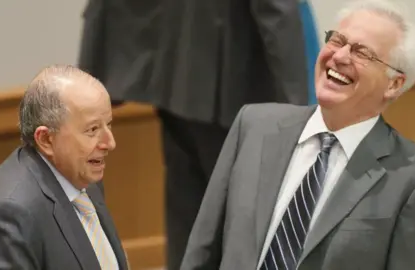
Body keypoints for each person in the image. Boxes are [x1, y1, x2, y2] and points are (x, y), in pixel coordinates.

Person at [180, 0, 415, 269]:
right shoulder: (253, 125)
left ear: (394, 84)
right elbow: (202, 252)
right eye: (337, 40)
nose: (340, 56)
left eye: (362, 53)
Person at [77, 0, 309, 269]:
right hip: (232, 86)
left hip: (172, 75)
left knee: (188, 219)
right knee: (244, 226)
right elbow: (276, 10)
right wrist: (298, 108)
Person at [0, 65, 129, 270]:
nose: (110, 142)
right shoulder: (7, 215)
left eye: (109, 124)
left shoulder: (82, 177)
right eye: (93, 129)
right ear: (46, 139)